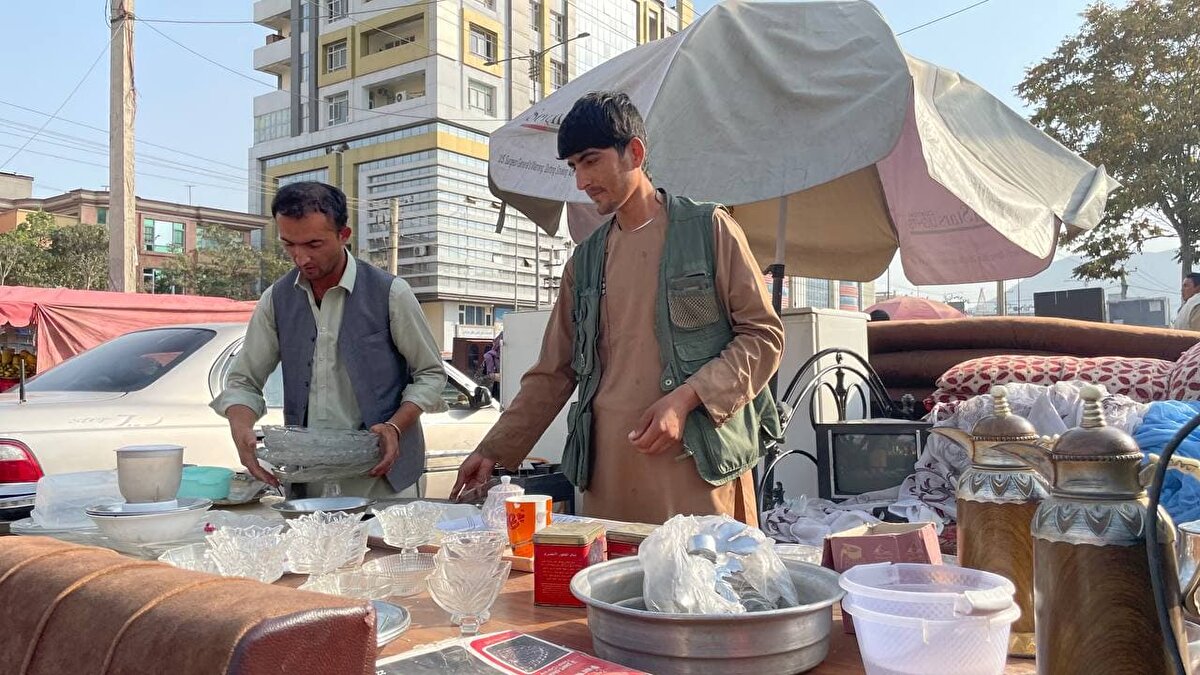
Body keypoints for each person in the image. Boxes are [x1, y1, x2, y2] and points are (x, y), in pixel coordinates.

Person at [451, 92, 783, 525]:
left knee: (704, 584)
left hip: (696, 468)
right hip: (607, 475)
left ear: (635, 153)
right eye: (573, 167)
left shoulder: (708, 230)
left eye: (591, 160)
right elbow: (553, 373)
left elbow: (763, 337)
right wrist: (493, 450)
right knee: (614, 587)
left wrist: (684, 399)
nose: (581, 181)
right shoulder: (584, 262)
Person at [211, 181, 447, 497]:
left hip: (383, 480)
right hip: (309, 480)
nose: (300, 258)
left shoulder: (390, 293)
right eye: (289, 245)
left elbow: (431, 374)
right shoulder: (277, 300)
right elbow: (243, 381)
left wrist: (394, 427)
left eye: (313, 244)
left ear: (343, 235)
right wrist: (240, 427)